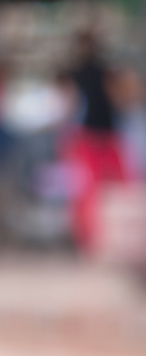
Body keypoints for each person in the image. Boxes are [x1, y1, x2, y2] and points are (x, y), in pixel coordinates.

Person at [62, 31, 128, 253]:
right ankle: (106, 236)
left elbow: (71, 106)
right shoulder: (106, 72)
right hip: (107, 133)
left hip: (88, 136)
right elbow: (118, 100)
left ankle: (89, 237)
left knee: (87, 189)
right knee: (115, 186)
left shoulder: (76, 73)